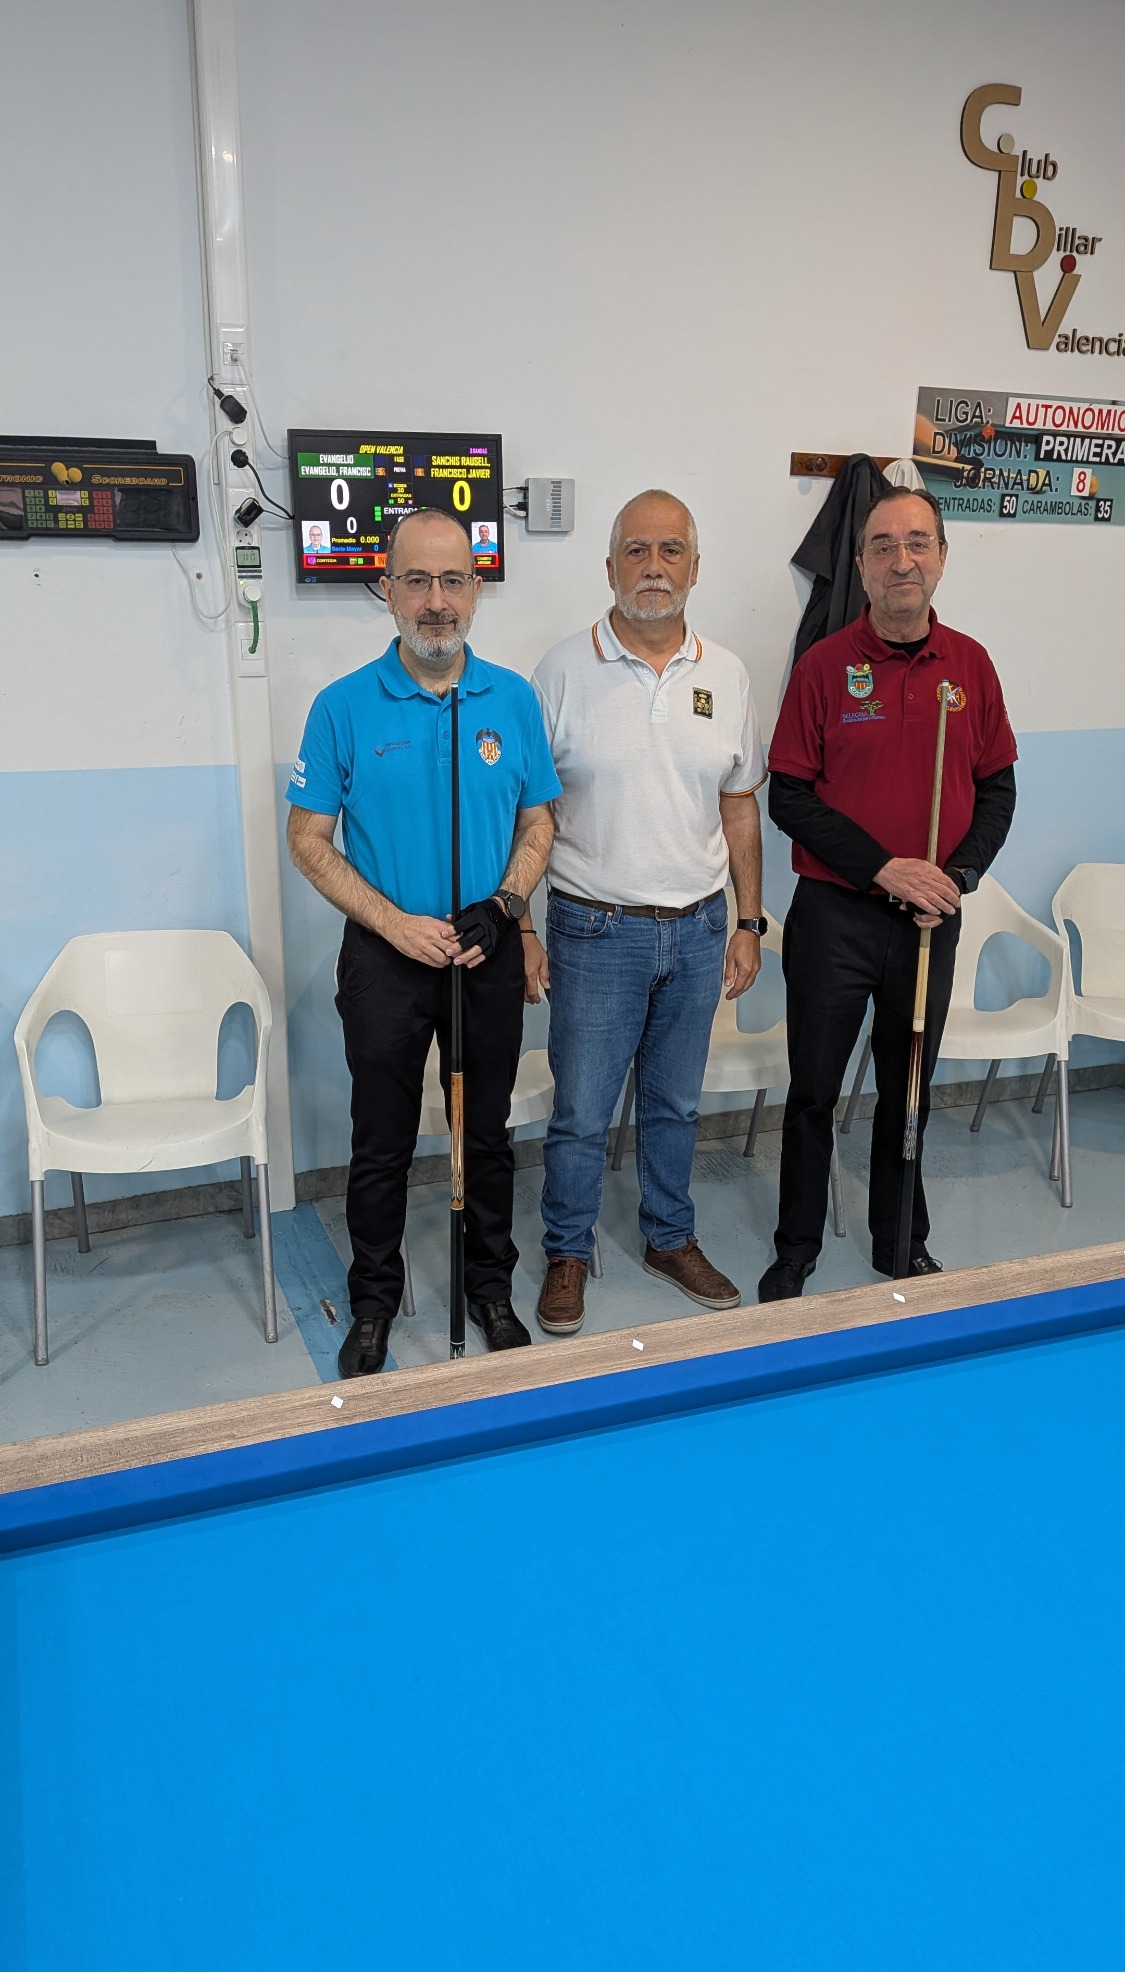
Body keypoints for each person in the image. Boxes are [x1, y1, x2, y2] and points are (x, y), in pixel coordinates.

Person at [286, 508, 559, 1375]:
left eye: (451, 581)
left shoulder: (511, 699)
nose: (435, 600)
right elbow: (307, 841)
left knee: (485, 1136)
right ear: (386, 589)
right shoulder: (341, 707)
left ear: (475, 590)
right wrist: (394, 924)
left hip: (484, 951)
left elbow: (539, 822)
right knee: (382, 1143)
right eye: (416, 581)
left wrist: (506, 903)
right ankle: (373, 1303)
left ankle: (489, 1289)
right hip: (384, 957)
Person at [759, 487, 1018, 1302]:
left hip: (928, 921)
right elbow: (789, 796)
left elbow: (997, 790)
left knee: (906, 1087)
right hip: (833, 916)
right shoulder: (823, 666)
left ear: (940, 557)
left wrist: (956, 877)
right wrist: (881, 867)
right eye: (881, 546)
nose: (900, 560)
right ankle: (796, 1245)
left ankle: (899, 1239)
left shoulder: (969, 666)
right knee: (812, 1091)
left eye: (915, 543)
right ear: (861, 565)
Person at [529, 489, 767, 1335]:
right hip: (594, 930)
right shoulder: (561, 671)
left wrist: (749, 920)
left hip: (700, 930)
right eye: (637, 550)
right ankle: (567, 1250)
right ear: (609, 567)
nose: (654, 567)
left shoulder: (727, 674)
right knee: (581, 1112)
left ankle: (669, 1237)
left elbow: (738, 802)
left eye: (670, 551)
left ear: (695, 569)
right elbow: (530, 812)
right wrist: (520, 923)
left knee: (675, 1106)